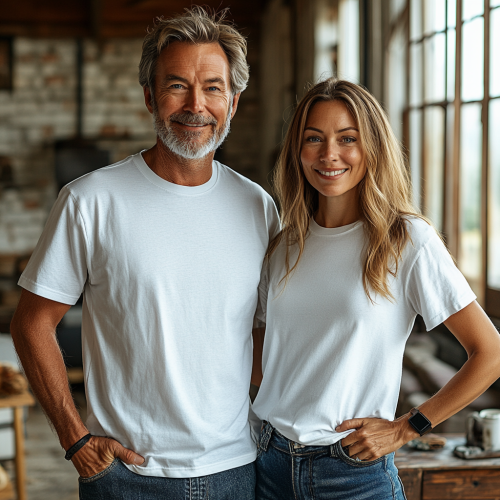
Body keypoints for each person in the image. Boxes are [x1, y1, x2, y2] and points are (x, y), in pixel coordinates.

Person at [10, 7, 279, 499]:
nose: (195, 105)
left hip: (237, 471)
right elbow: (31, 324)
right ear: (150, 97)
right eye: (177, 85)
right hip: (126, 478)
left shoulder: (258, 207)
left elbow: (264, 333)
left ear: (234, 102)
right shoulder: (90, 201)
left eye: (213, 88)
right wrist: (76, 441)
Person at [251, 78, 500, 500]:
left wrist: (408, 427)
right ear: (298, 149)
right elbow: (263, 342)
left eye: (347, 138)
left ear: (373, 148)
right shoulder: (283, 243)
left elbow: (490, 353)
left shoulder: (406, 239)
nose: (329, 154)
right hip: (269, 464)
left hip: (351, 474)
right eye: (314, 138)